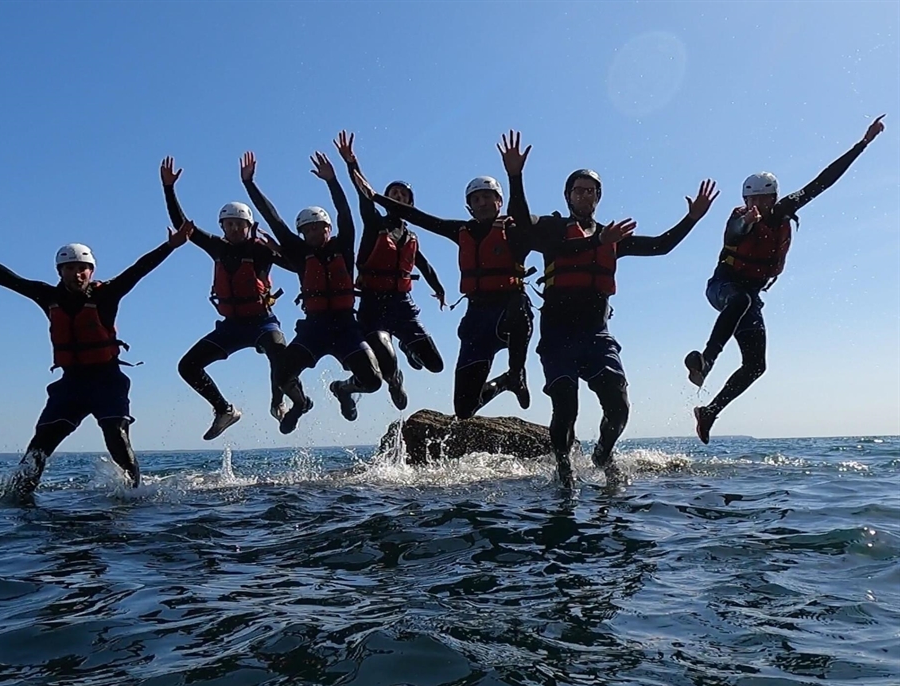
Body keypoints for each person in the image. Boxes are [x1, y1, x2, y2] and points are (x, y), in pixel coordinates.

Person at [499, 130, 718, 488]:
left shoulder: (612, 236)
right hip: (557, 335)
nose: (584, 195)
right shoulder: (553, 230)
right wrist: (515, 176)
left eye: (591, 190)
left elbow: (661, 246)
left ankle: (602, 452)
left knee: (619, 405)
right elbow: (521, 221)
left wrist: (692, 218)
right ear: (568, 196)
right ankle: (564, 467)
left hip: (596, 336)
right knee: (566, 406)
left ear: (599, 197)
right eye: (578, 190)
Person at [685, 115, 886, 444]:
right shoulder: (739, 217)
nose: (755, 205)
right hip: (722, 288)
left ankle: (709, 413)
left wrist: (862, 144)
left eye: (762, 199)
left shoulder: (785, 210)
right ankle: (706, 361)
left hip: (749, 296)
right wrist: (748, 222)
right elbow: (737, 231)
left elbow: (824, 181)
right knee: (740, 300)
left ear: (774, 198)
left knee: (755, 365)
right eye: (750, 199)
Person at [0, 221, 193, 494]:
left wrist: (169, 246)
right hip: (71, 385)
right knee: (41, 443)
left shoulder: (106, 294)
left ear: (91, 271)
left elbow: (138, 270)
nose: (77, 274)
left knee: (116, 436)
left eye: (82, 268)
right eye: (70, 268)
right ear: (60, 271)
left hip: (107, 380)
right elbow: (4, 277)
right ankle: (18, 495)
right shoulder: (47, 295)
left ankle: (133, 492)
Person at [351, 165, 534, 420]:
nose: (481, 203)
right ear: (469, 207)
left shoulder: (514, 231)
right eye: (476, 199)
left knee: (519, 307)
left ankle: (516, 372)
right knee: (464, 409)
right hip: (476, 318)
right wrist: (372, 194)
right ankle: (505, 383)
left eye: (487, 197)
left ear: (499, 201)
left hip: (508, 311)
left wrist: (515, 175)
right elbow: (422, 218)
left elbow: (522, 214)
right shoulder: (461, 231)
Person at [161, 157, 309, 439]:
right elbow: (183, 226)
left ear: (249, 226)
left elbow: (296, 266)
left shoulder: (261, 249)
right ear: (222, 226)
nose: (233, 229)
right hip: (231, 326)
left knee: (280, 355)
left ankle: (279, 402)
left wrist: (278, 249)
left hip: (263, 322)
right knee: (187, 366)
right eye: (228, 224)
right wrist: (169, 188)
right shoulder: (217, 247)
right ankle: (224, 410)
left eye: (239, 224)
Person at [240, 149, 383, 425]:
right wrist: (250, 184)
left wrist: (333, 180)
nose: (315, 233)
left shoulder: (344, 246)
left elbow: (345, 212)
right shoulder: (297, 251)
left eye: (320, 227)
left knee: (373, 381)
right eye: (309, 230)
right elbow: (274, 220)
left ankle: (344, 389)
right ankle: (301, 403)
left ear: (328, 229)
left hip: (346, 327)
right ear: (302, 233)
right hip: (314, 328)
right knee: (281, 374)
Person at [332, 130, 446, 411]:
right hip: (373, 305)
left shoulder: (410, 237)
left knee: (435, 364)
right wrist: (351, 164)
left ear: (410, 204)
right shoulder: (374, 225)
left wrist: (439, 288)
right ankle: (388, 382)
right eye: (393, 193)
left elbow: (424, 265)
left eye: (404, 195)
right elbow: (363, 196)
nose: (398, 197)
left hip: (402, 306)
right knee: (386, 363)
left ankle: (408, 348)